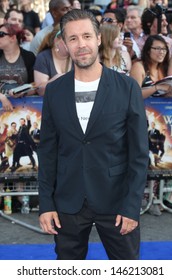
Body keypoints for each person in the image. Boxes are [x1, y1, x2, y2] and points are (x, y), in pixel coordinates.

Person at [38, 9, 149, 260]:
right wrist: (46, 204)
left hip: (117, 201)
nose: (81, 45)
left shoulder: (127, 87)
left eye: (87, 36)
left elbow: (139, 154)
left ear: (99, 38)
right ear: (64, 44)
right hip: (68, 201)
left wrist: (132, 206)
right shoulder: (54, 91)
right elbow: (47, 152)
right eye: (73, 38)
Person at [0, 23, 36, 111]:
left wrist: (23, 91)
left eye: (1, 34)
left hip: (22, 108)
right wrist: (2, 97)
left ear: (13, 38)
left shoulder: (29, 57)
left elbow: (35, 84)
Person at [34, 26, 72, 96]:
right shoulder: (44, 57)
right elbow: (40, 90)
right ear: (56, 40)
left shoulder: (76, 57)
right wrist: (57, 79)